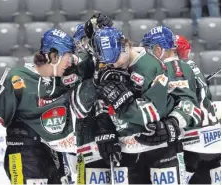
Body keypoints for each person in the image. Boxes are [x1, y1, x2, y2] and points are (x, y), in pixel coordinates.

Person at [85, 26, 201, 184]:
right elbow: (103, 102)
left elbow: (176, 105)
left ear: (125, 45)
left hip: (161, 150)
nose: (113, 65)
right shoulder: (109, 66)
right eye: (108, 61)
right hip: (126, 153)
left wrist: (172, 123)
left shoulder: (151, 65)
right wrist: (105, 129)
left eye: (115, 58)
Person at [0, 28, 95, 184]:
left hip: (55, 154)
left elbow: (91, 62)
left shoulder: (64, 77)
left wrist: (92, 35)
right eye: (67, 57)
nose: (70, 62)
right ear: (53, 56)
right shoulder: (17, 78)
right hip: (25, 153)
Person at [176, 35, 221, 185]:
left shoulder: (175, 70)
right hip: (214, 138)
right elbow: (205, 95)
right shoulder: (193, 66)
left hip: (193, 139)